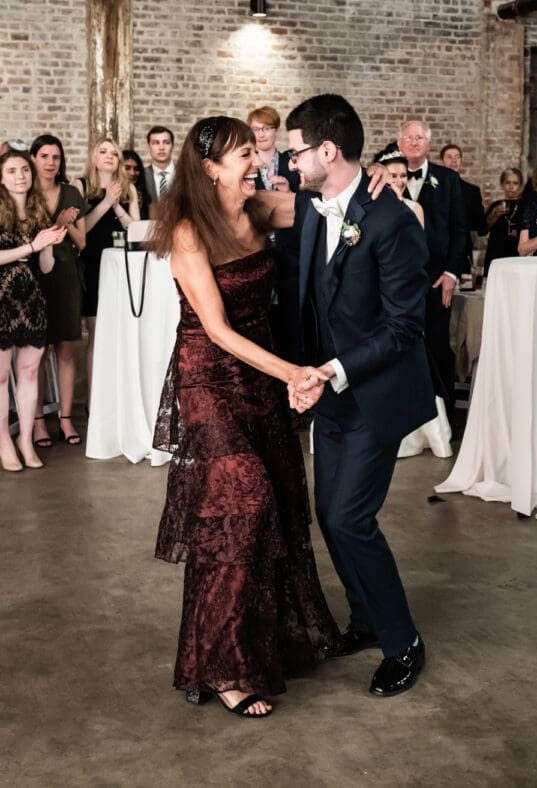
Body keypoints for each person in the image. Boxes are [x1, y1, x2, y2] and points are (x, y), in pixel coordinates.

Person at [151, 116, 343, 719]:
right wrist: (293, 373)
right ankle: (226, 666)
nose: (255, 159)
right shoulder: (187, 231)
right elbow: (215, 328)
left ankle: (262, 646)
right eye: (241, 155)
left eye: (252, 150)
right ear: (210, 168)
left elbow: (330, 204)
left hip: (260, 369)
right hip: (210, 374)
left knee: (282, 501)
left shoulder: (258, 208)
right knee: (242, 505)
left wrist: (380, 190)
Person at [280, 94, 436, 698]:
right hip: (331, 391)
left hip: (376, 392)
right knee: (329, 515)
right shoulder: (315, 208)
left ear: (327, 150)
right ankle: (368, 621)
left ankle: (403, 642)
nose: (289, 164)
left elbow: (404, 328)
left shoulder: (391, 220)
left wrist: (333, 370)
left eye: (295, 152)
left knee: (349, 517)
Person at [378, 121, 466, 425]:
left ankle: (446, 419)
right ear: (399, 143)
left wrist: (451, 273)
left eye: (419, 137)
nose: (414, 142)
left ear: (428, 143)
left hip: (436, 280)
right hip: (395, 284)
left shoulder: (448, 179)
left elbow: (459, 231)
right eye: (408, 137)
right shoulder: (379, 180)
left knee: (439, 345)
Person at [0, 150, 66, 471]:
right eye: (11, 171)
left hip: (31, 302)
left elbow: (46, 267)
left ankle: (26, 440)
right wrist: (31, 246)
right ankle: (4, 443)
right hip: (1, 302)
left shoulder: (39, 212)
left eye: (24, 170)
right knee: (0, 377)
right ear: (1, 178)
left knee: (28, 373)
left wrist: (50, 243)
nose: (20, 176)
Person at [29, 135, 89, 448]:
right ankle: (38, 421)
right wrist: (57, 221)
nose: (51, 162)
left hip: (66, 276)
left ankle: (66, 418)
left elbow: (81, 243)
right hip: (34, 277)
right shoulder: (25, 193)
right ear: (33, 159)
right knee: (36, 354)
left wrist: (68, 223)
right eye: (45, 156)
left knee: (66, 350)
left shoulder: (70, 192)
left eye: (56, 157)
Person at [73, 139, 140, 401]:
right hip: (93, 267)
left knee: (121, 337)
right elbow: (81, 232)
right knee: (98, 336)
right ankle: (94, 400)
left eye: (114, 153)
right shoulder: (81, 186)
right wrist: (104, 202)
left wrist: (116, 203)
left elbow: (135, 232)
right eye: (103, 151)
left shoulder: (129, 189)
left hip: (121, 268)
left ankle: (119, 400)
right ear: (93, 157)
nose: (109, 156)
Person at [248, 105, 303, 361]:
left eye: (266, 128)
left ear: (276, 131)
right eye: (256, 129)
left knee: (290, 319)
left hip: (290, 251)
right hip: (257, 248)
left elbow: (309, 205)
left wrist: (286, 195)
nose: (261, 134)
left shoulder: (293, 162)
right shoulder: (246, 165)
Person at [439, 143, 485, 274]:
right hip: (437, 249)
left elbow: (480, 223)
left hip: (462, 249)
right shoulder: (433, 189)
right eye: (449, 157)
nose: (454, 160)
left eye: (457, 157)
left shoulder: (472, 191)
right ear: (442, 162)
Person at [483, 167, 523, 274]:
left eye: (515, 183)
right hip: (496, 253)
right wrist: (494, 215)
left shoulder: (525, 206)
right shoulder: (495, 205)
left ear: (520, 186)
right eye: (508, 183)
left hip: (516, 254)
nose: (511, 187)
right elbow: (482, 230)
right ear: (502, 185)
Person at [373, 147, 424, 226]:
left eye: (403, 176)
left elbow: (419, 238)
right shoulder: (370, 206)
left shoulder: (415, 208)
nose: (399, 182)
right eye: (393, 176)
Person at [145, 126, 175, 202]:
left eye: (166, 143)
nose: (161, 147)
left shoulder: (184, 174)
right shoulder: (142, 175)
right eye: (156, 143)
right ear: (148, 147)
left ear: (172, 146)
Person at [123, 149, 152, 218]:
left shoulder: (144, 196)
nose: (132, 173)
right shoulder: (113, 196)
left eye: (136, 169)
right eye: (127, 168)